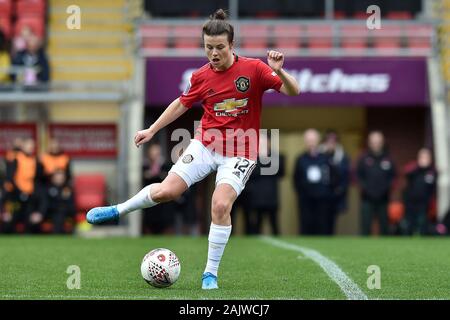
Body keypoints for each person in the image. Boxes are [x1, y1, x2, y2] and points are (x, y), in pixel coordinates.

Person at [86, 9, 299, 289]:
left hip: (240, 152)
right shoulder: (201, 77)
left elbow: (294, 91)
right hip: (205, 145)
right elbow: (180, 104)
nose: (214, 53)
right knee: (166, 191)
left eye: (220, 47)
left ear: (232, 46)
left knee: (220, 205)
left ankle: (210, 274)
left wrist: (279, 69)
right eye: (208, 47)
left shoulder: (254, 69)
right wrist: (152, 129)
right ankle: (118, 210)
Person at [293, 129, 335, 235]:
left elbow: (334, 176)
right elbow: (296, 179)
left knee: (322, 225)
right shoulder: (300, 159)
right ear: (305, 141)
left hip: (323, 199)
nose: (311, 142)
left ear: (318, 141)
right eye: (308, 140)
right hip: (305, 199)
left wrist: (329, 192)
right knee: (306, 225)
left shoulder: (326, 158)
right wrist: (301, 193)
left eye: (313, 140)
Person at [356, 131, 396, 235]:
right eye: (373, 142)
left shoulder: (388, 159)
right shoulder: (363, 158)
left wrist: (387, 188)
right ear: (369, 143)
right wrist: (365, 189)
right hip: (367, 198)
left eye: (378, 142)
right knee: (365, 226)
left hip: (383, 198)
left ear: (382, 143)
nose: (376, 144)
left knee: (384, 227)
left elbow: (394, 177)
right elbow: (357, 176)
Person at [249, 133, 285, 235]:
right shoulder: (252, 158)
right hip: (256, 198)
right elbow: (251, 173)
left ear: (269, 143)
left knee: (274, 225)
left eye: (265, 142)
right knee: (256, 225)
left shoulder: (276, 157)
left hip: (271, 197)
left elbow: (280, 171)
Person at [318, 130, 350, 234]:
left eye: (334, 140)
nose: (331, 143)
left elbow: (346, 176)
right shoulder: (319, 155)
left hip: (335, 195)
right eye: (329, 140)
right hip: (320, 195)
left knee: (332, 221)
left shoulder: (342, 157)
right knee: (320, 220)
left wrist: (340, 190)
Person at [401, 148, 436, 235]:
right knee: (409, 224)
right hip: (411, 202)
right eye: (422, 157)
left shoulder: (432, 172)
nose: (424, 159)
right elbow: (406, 172)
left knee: (422, 223)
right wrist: (418, 167)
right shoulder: (414, 169)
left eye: (426, 157)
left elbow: (432, 188)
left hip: (424, 203)